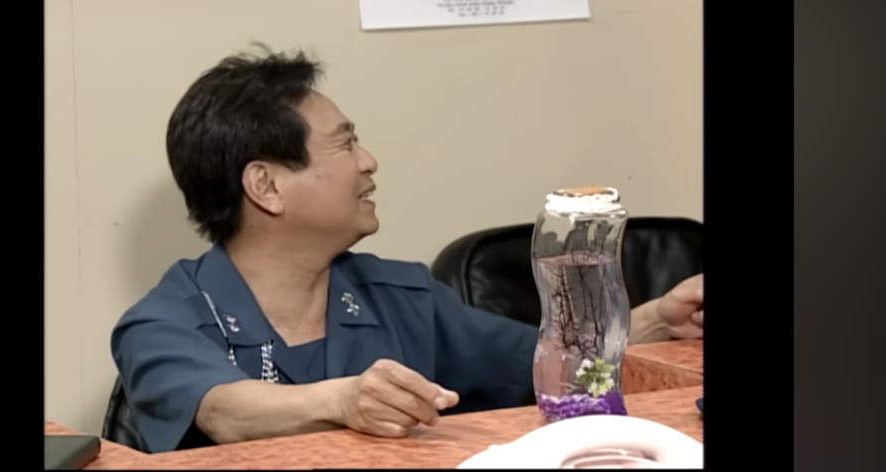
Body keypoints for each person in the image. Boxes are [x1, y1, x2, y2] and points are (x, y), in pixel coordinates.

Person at [110, 46, 704, 453]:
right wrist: (346, 399)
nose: (369, 162)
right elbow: (223, 411)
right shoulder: (164, 322)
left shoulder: (402, 294)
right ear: (265, 186)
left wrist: (656, 319)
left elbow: (545, 362)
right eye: (345, 145)